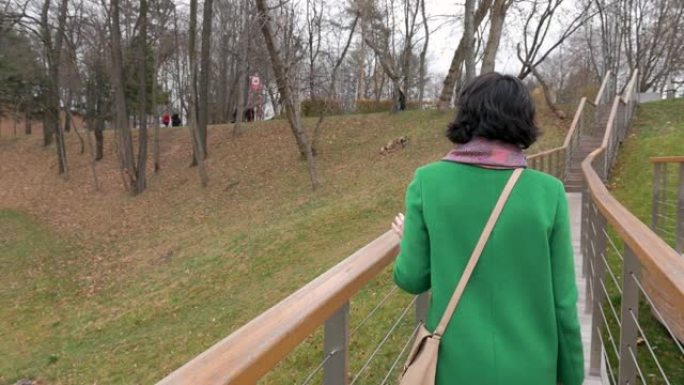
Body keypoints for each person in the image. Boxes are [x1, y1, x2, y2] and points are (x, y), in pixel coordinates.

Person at [391, 73, 584, 385]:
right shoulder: (549, 192)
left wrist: (408, 243)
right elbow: (564, 301)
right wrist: (572, 376)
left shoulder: (427, 182)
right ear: (523, 120)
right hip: (533, 369)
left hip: (455, 369)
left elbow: (412, 278)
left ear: (466, 115)